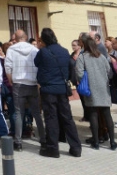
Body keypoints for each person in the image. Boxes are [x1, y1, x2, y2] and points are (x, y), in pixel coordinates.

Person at [34, 28, 81, 158]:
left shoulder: (43, 52)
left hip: (48, 89)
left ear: (43, 40)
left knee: (51, 119)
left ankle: (53, 148)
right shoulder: (64, 51)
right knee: (67, 118)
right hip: (62, 88)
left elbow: (36, 63)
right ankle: (76, 148)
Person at [4, 29, 45, 151]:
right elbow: (39, 66)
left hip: (18, 83)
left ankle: (18, 142)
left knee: (18, 113)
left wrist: (11, 81)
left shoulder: (11, 49)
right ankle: (43, 139)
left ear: (15, 38)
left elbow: (8, 67)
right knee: (37, 113)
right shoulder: (34, 50)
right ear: (26, 37)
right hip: (32, 83)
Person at [75, 36, 116, 151]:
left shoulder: (82, 57)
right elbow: (110, 72)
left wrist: (87, 79)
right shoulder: (102, 57)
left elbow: (79, 73)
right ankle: (112, 142)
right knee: (107, 115)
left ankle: (96, 142)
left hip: (90, 89)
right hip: (103, 88)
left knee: (93, 115)